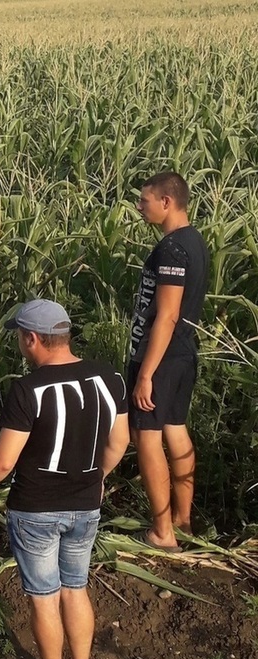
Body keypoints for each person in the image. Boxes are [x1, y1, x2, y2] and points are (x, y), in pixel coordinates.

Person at [0, 300, 129, 659]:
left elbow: (3, 461)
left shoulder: (28, 389)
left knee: (44, 596)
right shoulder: (108, 376)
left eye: (21, 338)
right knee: (75, 589)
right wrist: (98, 477)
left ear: (31, 339)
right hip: (86, 505)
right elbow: (120, 441)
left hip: (36, 509)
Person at [129, 172, 208, 553]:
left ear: (166, 202)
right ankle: (183, 520)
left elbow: (168, 314)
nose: (139, 207)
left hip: (161, 357)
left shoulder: (172, 249)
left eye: (145, 201)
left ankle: (163, 531)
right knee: (177, 431)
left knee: (148, 437)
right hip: (183, 355)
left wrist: (146, 372)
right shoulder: (195, 242)